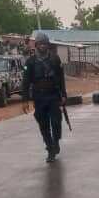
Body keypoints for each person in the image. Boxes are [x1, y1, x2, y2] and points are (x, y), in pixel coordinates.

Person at [22, 33, 68, 163]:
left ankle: (56, 141)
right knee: (43, 124)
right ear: (36, 45)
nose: (43, 46)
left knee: (56, 121)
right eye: (40, 43)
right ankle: (50, 148)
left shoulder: (55, 59)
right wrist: (25, 100)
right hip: (39, 96)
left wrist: (64, 94)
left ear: (48, 45)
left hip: (53, 95)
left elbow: (61, 78)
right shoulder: (30, 62)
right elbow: (25, 82)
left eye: (45, 43)